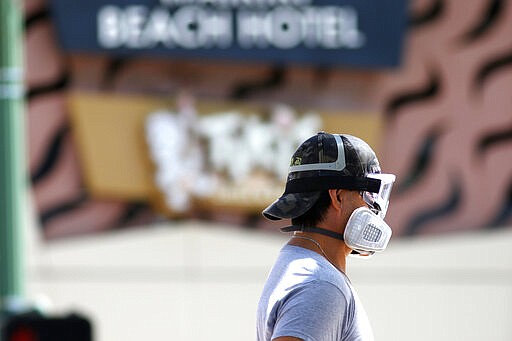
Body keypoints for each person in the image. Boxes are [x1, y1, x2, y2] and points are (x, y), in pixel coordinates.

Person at [256, 132, 396, 341]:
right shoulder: (320, 285)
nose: (374, 206)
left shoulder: (297, 264)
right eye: (368, 194)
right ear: (338, 196)